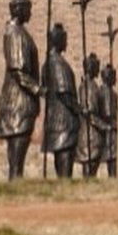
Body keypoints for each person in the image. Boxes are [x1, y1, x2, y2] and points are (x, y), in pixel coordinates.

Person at [0, 0, 41, 181]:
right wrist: (37, 88)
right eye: (28, 9)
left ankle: (16, 179)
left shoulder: (21, 32)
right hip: (18, 100)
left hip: (23, 99)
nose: (31, 14)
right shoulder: (14, 33)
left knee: (21, 144)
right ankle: (15, 181)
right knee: (18, 145)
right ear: (19, 10)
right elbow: (17, 69)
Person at [41, 22, 81, 178]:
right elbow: (64, 93)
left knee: (63, 166)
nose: (67, 43)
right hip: (63, 122)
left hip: (58, 121)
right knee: (65, 168)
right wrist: (79, 109)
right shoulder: (57, 64)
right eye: (65, 39)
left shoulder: (48, 62)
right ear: (58, 41)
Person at [77, 52, 105, 177]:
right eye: (97, 66)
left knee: (92, 171)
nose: (99, 69)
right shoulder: (89, 87)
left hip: (94, 136)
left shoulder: (93, 85)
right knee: (89, 172)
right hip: (90, 136)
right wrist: (104, 126)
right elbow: (90, 113)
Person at [98, 62, 118, 177]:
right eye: (114, 76)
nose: (115, 79)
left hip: (110, 129)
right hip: (109, 132)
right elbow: (108, 113)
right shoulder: (107, 93)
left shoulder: (112, 93)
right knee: (112, 159)